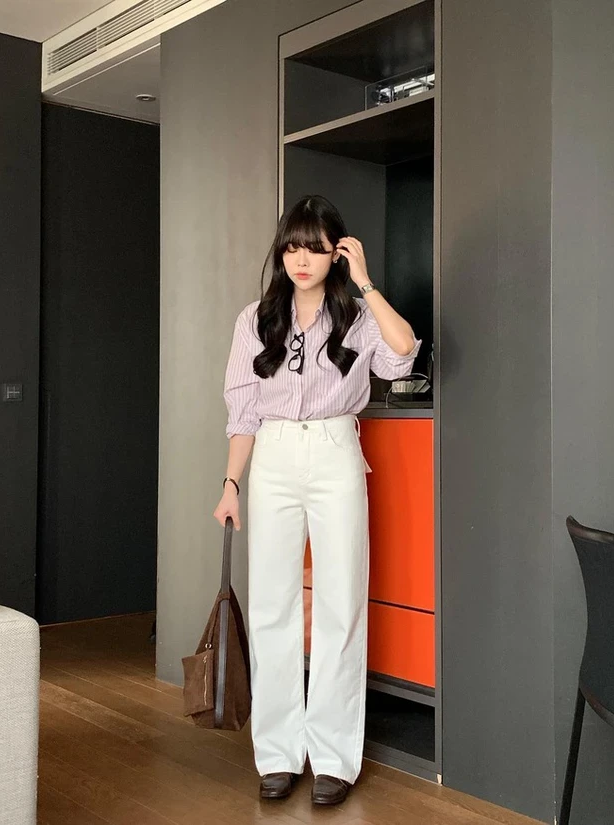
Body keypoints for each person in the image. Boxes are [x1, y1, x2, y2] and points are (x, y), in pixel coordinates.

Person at [214, 195, 420, 805]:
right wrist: (231, 485)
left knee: (340, 603)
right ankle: (278, 753)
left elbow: (403, 350)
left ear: (338, 253)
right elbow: (243, 411)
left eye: (316, 247)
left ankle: (333, 757)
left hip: (335, 452)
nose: (301, 259)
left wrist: (367, 283)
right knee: (272, 605)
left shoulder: (356, 315)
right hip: (274, 457)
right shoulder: (255, 320)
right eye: (293, 246)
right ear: (281, 252)